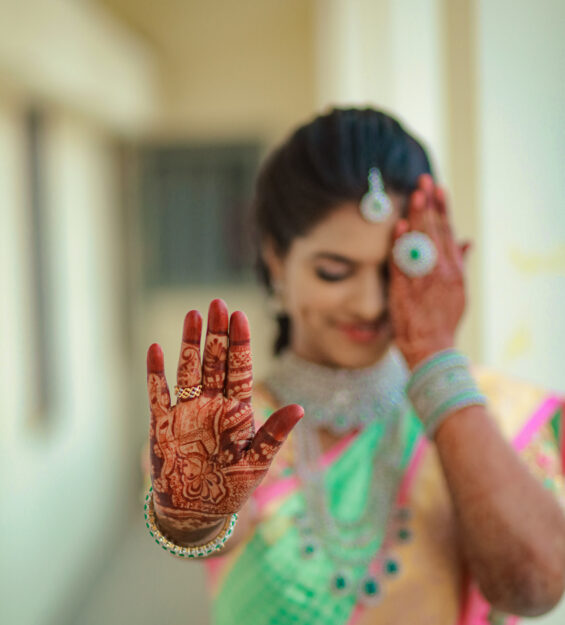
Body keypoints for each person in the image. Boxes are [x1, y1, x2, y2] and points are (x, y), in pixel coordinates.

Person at [144, 108, 565, 625]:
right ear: (276, 258)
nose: (369, 304)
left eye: (394, 272)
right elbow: (208, 532)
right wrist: (195, 515)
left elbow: (534, 589)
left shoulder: (497, 412)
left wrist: (435, 356)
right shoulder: (225, 424)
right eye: (334, 271)